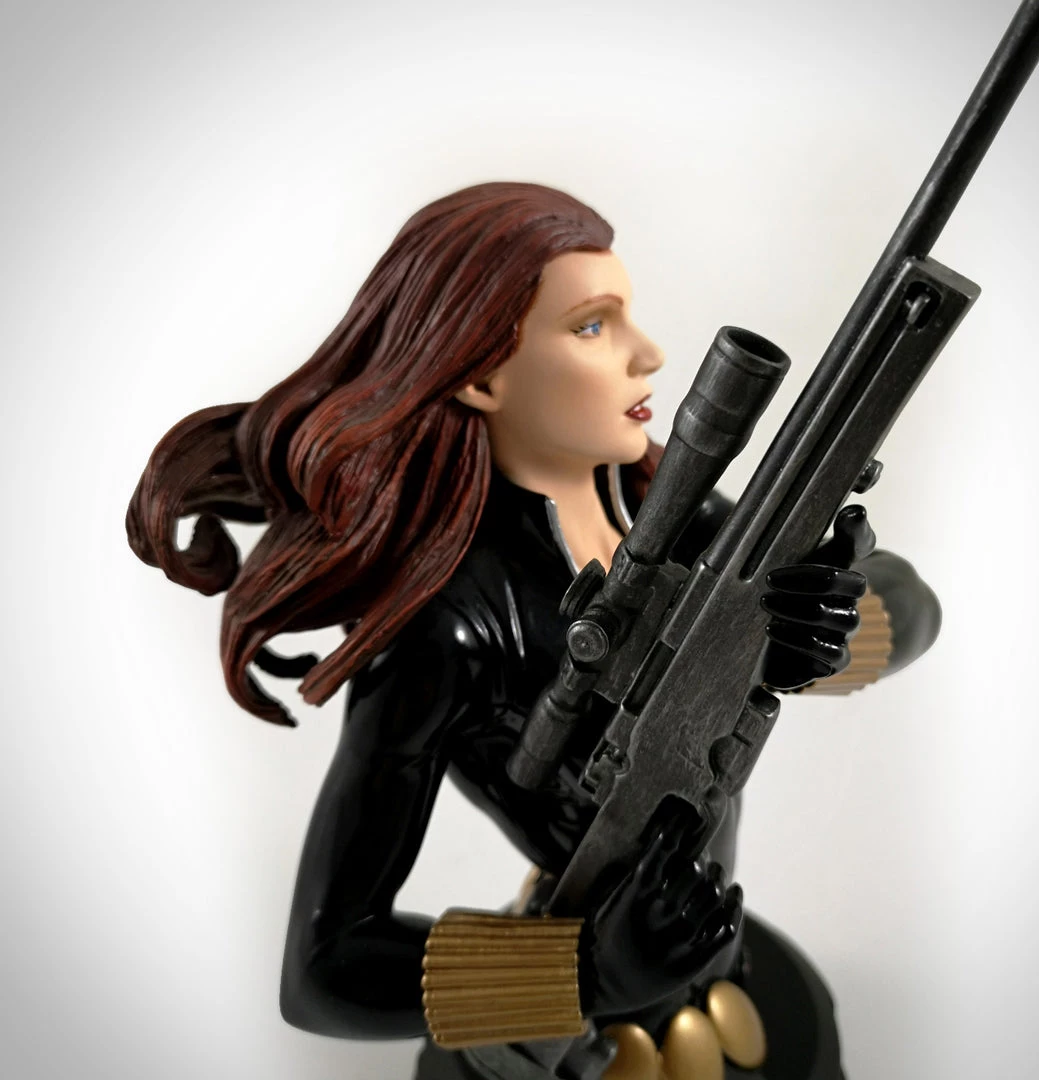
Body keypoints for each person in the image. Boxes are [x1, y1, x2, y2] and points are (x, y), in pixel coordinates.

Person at [127, 182, 941, 1080]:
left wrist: (827, 629)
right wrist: (583, 974)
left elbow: (918, 607)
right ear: (481, 377)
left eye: (624, 317)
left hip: (718, 953)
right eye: (592, 326)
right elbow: (322, 970)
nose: (648, 354)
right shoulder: (450, 629)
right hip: (596, 1014)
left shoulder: (649, 510)